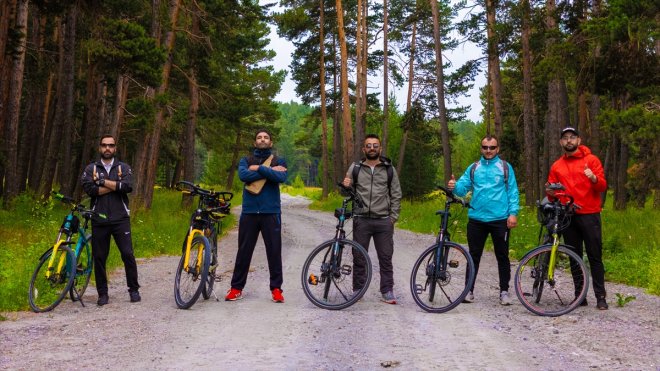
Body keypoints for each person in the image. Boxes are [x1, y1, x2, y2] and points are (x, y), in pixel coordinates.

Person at [447, 135, 520, 305]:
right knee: (473, 256)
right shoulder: (474, 168)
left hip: (500, 219)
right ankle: (468, 290)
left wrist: (513, 213)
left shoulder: (505, 167)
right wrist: (454, 185)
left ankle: (504, 291)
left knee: (502, 256)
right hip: (477, 219)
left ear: (497, 149)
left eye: (492, 147)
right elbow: (462, 188)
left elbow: (512, 191)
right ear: (481, 149)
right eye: (485, 148)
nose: (488, 151)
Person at [547, 127, 608, 310]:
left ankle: (600, 296)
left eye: (572, 137)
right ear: (561, 142)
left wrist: (594, 178)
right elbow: (553, 194)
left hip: (589, 214)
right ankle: (579, 296)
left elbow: (603, 187)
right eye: (565, 138)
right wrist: (550, 192)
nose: (569, 141)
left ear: (579, 140)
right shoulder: (557, 165)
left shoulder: (591, 160)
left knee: (594, 256)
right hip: (568, 215)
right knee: (574, 257)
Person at [225, 129, 288, 303]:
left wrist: (259, 168)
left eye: (266, 137)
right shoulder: (246, 160)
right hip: (249, 212)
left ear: (271, 142)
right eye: (259, 137)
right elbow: (243, 175)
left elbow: (281, 177)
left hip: (271, 212)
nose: (262, 139)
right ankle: (236, 288)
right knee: (244, 252)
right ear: (255, 143)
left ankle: (276, 289)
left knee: (274, 252)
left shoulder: (279, 160)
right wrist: (268, 171)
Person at [342, 134, 402, 304]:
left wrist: (393, 217)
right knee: (359, 256)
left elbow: (396, 194)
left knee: (385, 257)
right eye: (368, 145)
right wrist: (346, 185)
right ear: (364, 149)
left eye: (375, 145)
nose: (372, 148)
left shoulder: (389, 169)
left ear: (380, 148)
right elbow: (347, 192)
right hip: (361, 220)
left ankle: (387, 290)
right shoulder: (356, 167)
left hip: (383, 220)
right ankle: (358, 290)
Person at [81, 135, 140, 306]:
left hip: (120, 218)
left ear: (115, 148)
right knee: (99, 257)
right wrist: (115, 185)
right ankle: (102, 294)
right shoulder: (91, 168)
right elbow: (90, 190)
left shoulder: (123, 167)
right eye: (104, 145)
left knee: (128, 254)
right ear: (100, 147)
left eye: (111, 145)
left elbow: (127, 187)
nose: (108, 148)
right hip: (99, 218)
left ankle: (134, 290)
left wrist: (103, 182)